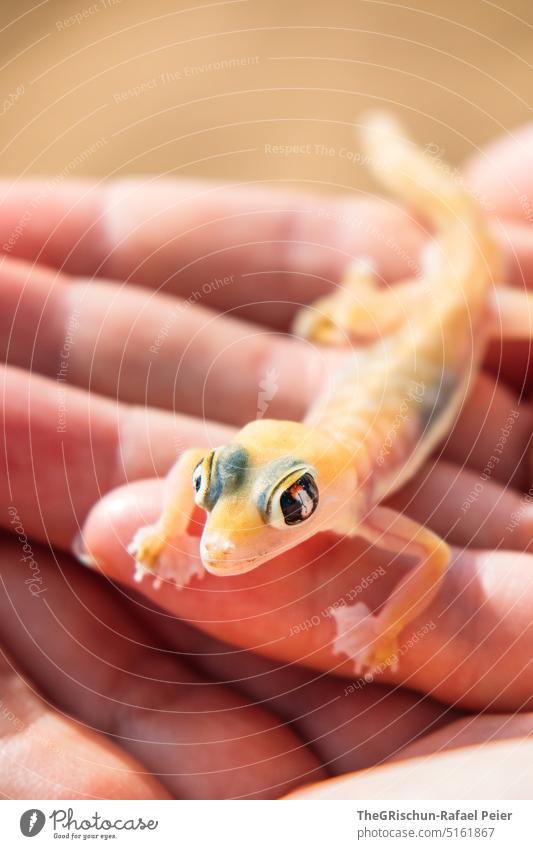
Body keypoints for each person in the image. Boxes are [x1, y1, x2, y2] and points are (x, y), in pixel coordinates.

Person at [1, 122, 533, 799]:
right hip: (401, 333)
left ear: (326, 494)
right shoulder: (291, 477)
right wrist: (170, 527)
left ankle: (400, 242)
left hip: (465, 312)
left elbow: (432, 557)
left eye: (288, 507)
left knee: (459, 268)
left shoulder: (357, 500)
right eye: (213, 489)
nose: (221, 543)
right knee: (407, 289)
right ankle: (381, 278)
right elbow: (198, 453)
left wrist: (385, 628)